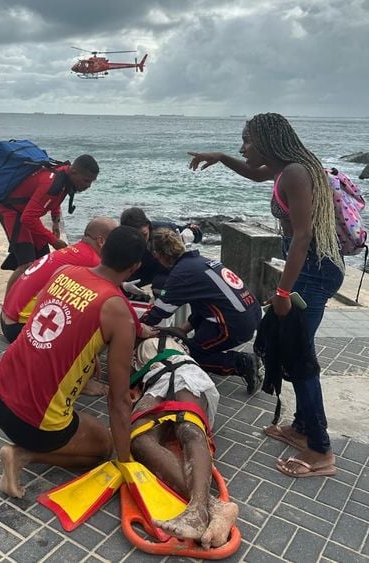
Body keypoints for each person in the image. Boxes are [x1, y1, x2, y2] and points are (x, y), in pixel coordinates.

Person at [189, 112, 344, 477]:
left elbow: (303, 236)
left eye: (247, 141)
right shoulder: (284, 168)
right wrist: (221, 157)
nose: (244, 147)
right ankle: (302, 428)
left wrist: (283, 290)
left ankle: (321, 452)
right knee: (294, 350)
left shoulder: (293, 172)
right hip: (312, 266)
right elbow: (255, 172)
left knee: (300, 358)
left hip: (313, 270)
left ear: (268, 142)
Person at [0, 226, 146, 498]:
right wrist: (126, 463)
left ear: (102, 250)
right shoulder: (117, 311)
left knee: (79, 420)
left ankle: (28, 444)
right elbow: (118, 401)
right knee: (102, 444)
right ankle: (22, 455)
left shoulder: (64, 272)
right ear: (135, 267)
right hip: (32, 422)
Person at [130, 336, 238, 549]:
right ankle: (213, 507)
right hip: (155, 382)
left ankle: (199, 509)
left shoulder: (169, 340)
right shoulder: (132, 348)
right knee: (138, 439)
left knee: (188, 429)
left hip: (186, 374)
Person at [140, 228, 262, 394]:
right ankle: (214, 355)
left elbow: (159, 312)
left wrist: (137, 327)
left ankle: (241, 363)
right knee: (198, 341)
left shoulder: (181, 274)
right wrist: (183, 329)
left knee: (190, 354)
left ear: (158, 255)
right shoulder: (199, 261)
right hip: (250, 313)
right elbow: (204, 304)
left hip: (234, 324)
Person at [0, 216, 118, 343]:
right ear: (101, 241)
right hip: (19, 328)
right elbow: (116, 298)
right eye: (115, 241)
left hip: (5, 319)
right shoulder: (91, 260)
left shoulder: (74, 251)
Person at [0, 154, 99, 294]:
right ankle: (7, 308)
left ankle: (29, 299)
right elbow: (28, 218)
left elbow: (55, 199)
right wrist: (53, 240)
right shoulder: (52, 182)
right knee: (26, 264)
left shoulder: (65, 176)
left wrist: (55, 221)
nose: (88, 186)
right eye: (86, 180)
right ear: (74, 172)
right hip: (12, 213)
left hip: (26, 213)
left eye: (91, 182)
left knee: (42, 262)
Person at [120, 206, 203, 291]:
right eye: (135, 237)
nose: (141, 241)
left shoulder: (164, 229)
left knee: (160, 285)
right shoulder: (119, 240)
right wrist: (123, 285)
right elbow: (112, 269)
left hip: (168, 270)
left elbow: (195, 232)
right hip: (142, 270)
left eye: (144, 234)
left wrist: (191, 231)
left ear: (148, 225)